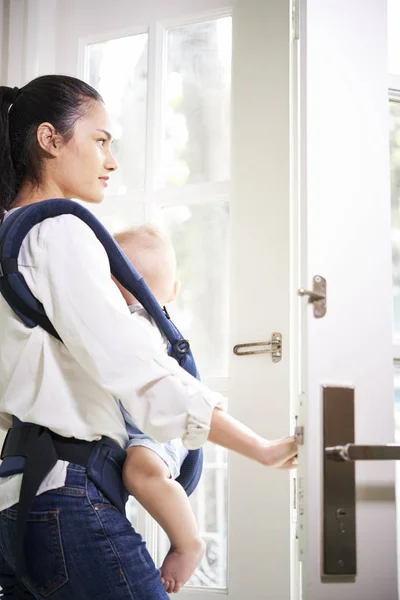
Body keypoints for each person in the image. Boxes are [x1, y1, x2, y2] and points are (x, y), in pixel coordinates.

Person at [0, 75, 297, 600]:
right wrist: (260, 448)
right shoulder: (58, 231)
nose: (111, 161)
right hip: (66, 499)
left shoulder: (10, 236)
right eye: (100, 140)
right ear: (50, 139)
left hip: (14, 502)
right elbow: (138, 366)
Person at [113, 225, 297, 593]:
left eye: (136, 292)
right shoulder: (145, 323)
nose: (132, 302)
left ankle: (188, 541)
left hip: (156, 428)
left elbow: (170, 391)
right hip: (144, 423)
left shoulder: (141, 327)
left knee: (141, 472)